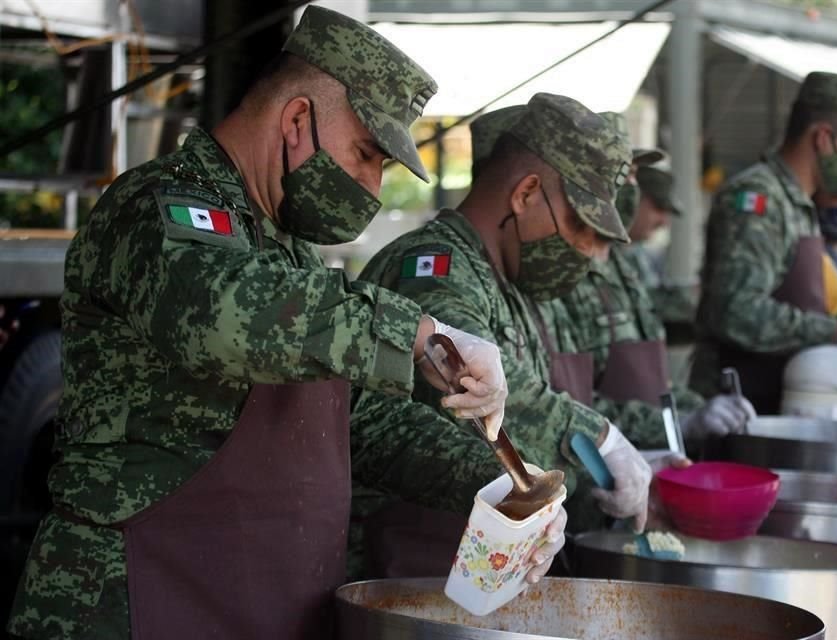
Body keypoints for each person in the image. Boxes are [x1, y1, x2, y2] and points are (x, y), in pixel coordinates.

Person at [7, 8, 513, 639]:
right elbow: (221, 313)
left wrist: (500, 485)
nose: (371, 186)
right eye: (365, 154)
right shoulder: (156, 205)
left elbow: (357, 423)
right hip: (132, 601)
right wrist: (415, 334)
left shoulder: (285, 248)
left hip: (257, 603)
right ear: (296, 120)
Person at [350, 94, 681, 580]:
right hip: (408, 565)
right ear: (525, 194)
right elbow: (477, 390)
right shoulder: (435, 270)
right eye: (578, 224)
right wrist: (599, 440)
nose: (588, 249)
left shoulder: (509, 281)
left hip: (481, 568)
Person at [690, 71, 837, 414]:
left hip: (773, 398)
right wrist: (834, 331)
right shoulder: (757, 198)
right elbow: (736, 312)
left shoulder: (797, 203)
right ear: (824, 138)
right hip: (735, 410)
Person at [547, 144, 755, 450]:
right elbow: (571, 403)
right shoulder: (560, 275)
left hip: (651, 458)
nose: (630, 188)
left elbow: (654, 386)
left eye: (633, 178)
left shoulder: (624, 266)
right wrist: (681, 424)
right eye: (623, 178)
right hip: (599, 465)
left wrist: (703, 408)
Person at [624, 155, 699, 325]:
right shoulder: (597, 254)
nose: (664, 222)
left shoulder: (634, 255)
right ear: (631, 198)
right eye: (658, 208)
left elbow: (651, 299)